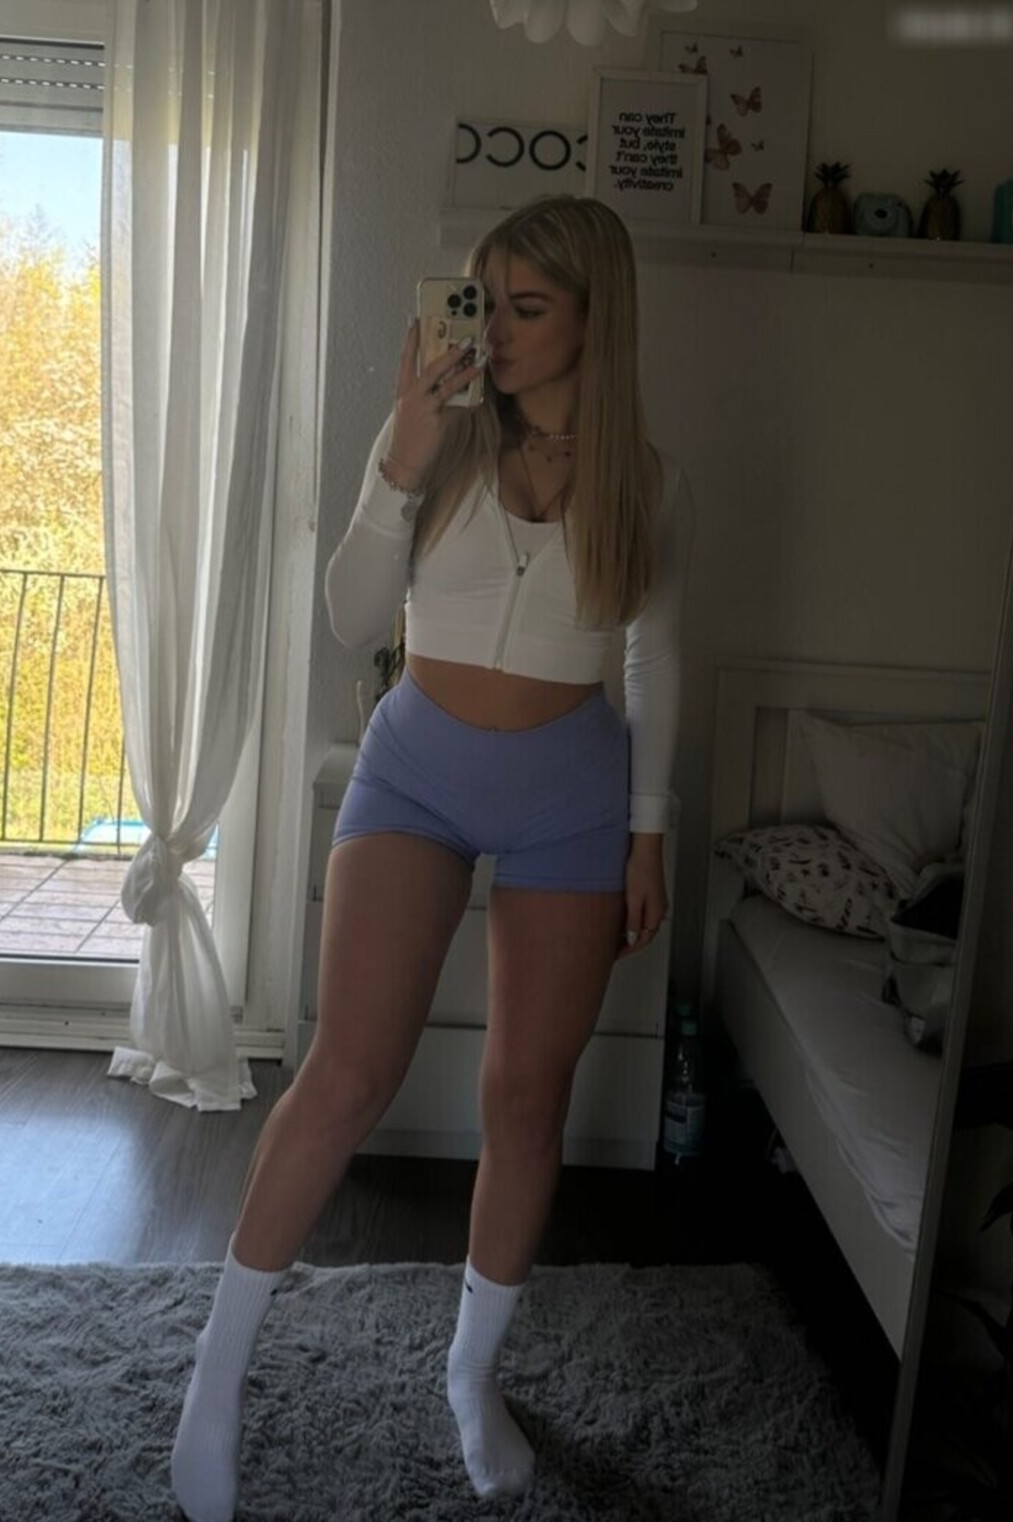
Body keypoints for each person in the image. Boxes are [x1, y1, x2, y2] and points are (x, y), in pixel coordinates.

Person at [170, 193, 694, 1522]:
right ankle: (215, 1379)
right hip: (415, 773)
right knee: (346, 1073)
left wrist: (649, 830)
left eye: (529, 308)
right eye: (486, 300)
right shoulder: (438, 439)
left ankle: (472, 1374)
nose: (495, 331)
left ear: (595, 319)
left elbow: (649, 658)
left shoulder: (643, 479)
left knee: (526, 1097)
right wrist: (398, 462)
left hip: (572, 796)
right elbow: (352, 621)